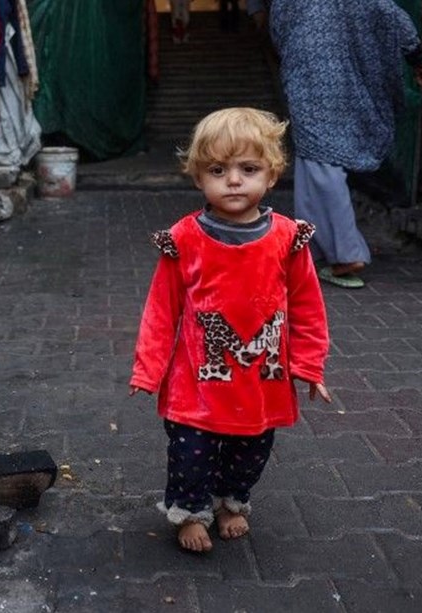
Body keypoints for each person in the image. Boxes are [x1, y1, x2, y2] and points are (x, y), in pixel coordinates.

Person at [129, 108, 332, 553]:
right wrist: (148, 370)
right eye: (218, 170)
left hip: (261, 378)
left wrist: (309, 364)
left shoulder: (287, 238)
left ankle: (231, 501)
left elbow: (307, 307)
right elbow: (161, 310)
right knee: (190, 453)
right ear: (199, 178)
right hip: (196, 383)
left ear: (272, 175)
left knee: (251, 450)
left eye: (248, 169)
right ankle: (191, 510)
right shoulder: (184, 238)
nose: (234, 180)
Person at [269, 0, 422, 289]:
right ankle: (314, 250)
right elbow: (391, 15)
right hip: (348, 83)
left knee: (320, 165)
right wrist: (421, 61)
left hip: (307, 80)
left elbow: (279, 32)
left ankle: (344, 253)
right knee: (317, 164)